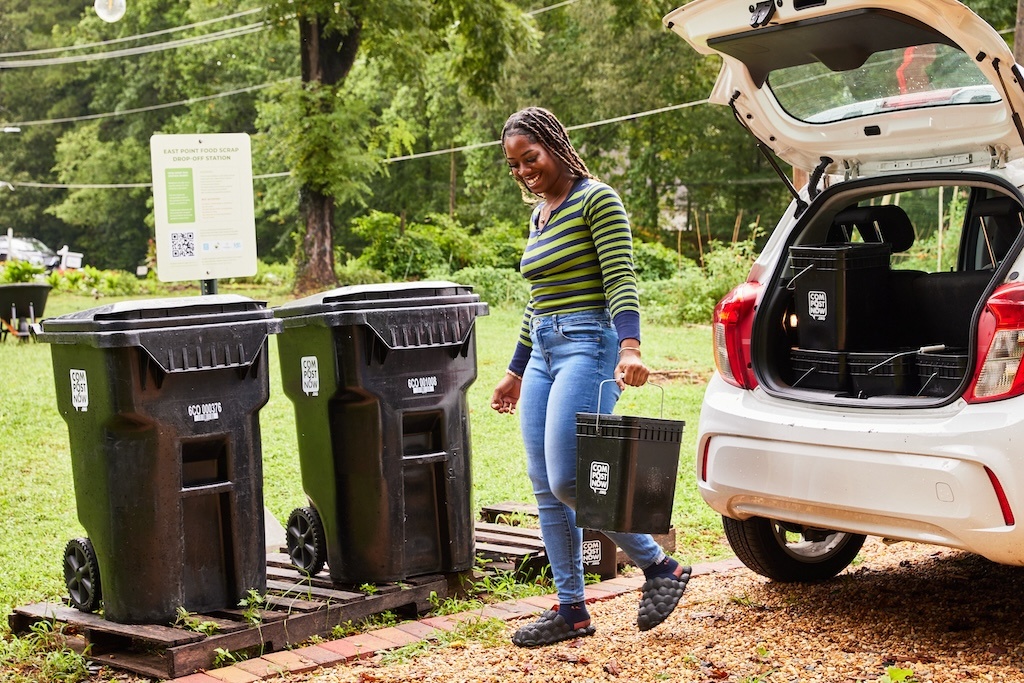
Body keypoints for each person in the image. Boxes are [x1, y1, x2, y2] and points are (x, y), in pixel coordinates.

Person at [490, 106, 690, 648]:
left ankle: (660, 566)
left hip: (589, 344)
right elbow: (538, 301)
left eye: (529, 158)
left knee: (570, 477)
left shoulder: (596, 199)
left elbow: (620, 277)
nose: (524, 171)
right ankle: (571, 609)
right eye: (514, 166)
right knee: (545, 489)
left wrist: (630, 346)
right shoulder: (539, 215)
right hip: (544, 353)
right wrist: (513, 370)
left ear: (554, 146)